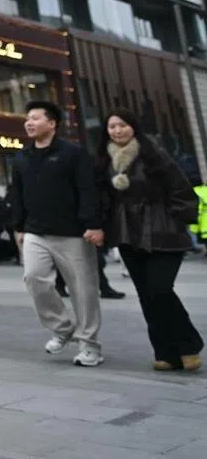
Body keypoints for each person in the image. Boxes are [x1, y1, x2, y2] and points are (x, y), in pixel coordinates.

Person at [95, 110, 202, 372]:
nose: (117, 130)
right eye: (112, 126)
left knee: (160, 289)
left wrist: (175, 218)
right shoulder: (103, 161)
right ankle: (165, 352)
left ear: (133, 127)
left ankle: (188, 344)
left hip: (162, 232)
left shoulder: (154, 154)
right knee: (146, 295)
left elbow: (180, 188)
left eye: (122, 125)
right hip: (127, 234)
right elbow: (102, 198)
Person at [11, 100, 104, 367]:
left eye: (36, 118)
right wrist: (18, 226)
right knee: (34, 277)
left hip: (73, 233)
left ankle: (90, 345)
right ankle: (63, 328)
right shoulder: (21, 158)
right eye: (27, 118)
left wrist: (93, 224)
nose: (29, 122)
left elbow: (88, 189)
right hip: (35, 232)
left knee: (83, 290)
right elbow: (16, 194)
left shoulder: (73, 153)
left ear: (52, 124)